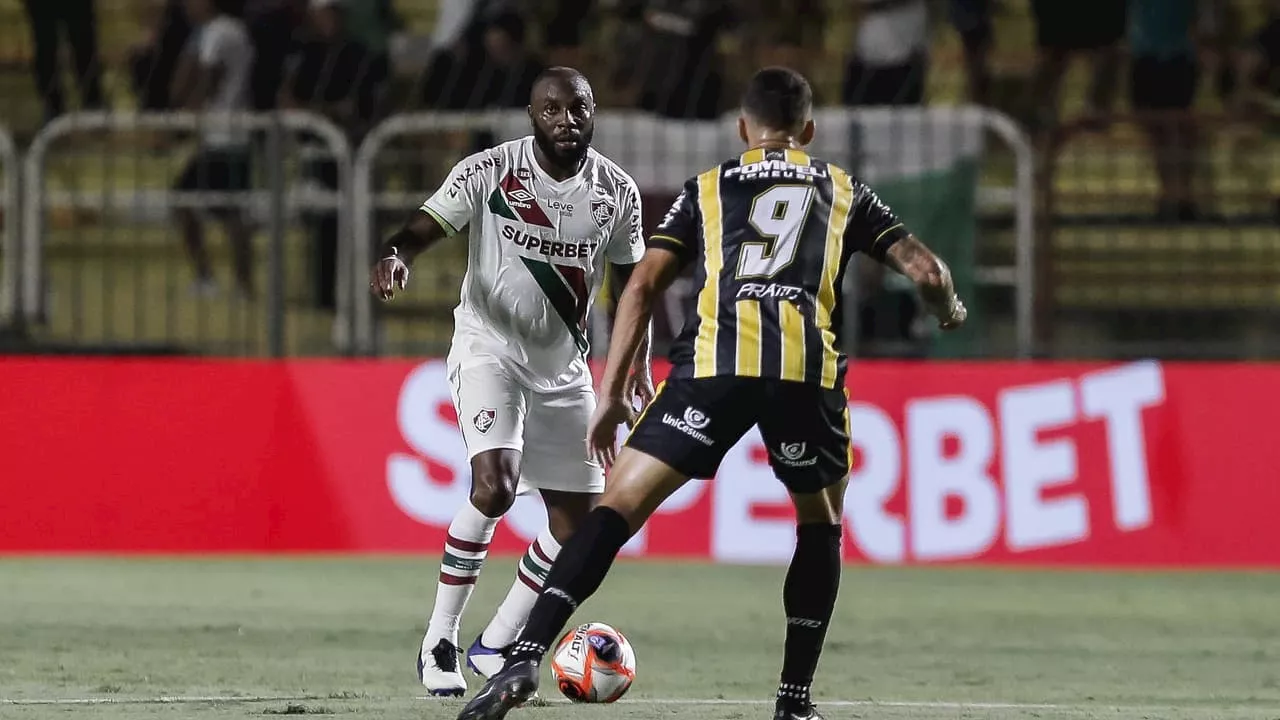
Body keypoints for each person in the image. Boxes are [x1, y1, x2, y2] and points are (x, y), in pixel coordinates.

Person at [455, 66, 967, 720]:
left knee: (617, 508)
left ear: (742, 128)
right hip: (804, 373)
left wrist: (611, 392)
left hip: (715, 364)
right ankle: (793, 701)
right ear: (808, 131)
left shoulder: (711, 187)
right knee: (820, 525)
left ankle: (525, 655)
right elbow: (928, 271)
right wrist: (948, 309)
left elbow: (640, 285)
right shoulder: (845, 190)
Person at [368, 67, 653, 698]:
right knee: (494, 487)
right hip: (488, 349)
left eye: (577, 109)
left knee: (578, 522)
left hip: (565, 367)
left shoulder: (618, 192)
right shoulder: (489, 170)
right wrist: (395, 254)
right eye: (552, 110)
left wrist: (635, 364)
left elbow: (637, 288)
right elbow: (423, 228)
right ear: (532, 115)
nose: (566, 121)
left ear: (593, 111)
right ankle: (439, 639)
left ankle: (495, 641)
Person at [170, 0, 257, 298]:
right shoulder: (228, 30)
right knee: (224, 210)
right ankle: (234, 281)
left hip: (226, 135)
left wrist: (185, 117)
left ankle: (224, 280)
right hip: (225, 135)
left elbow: (209, 78)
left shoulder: (218, 32)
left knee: (221, 210)